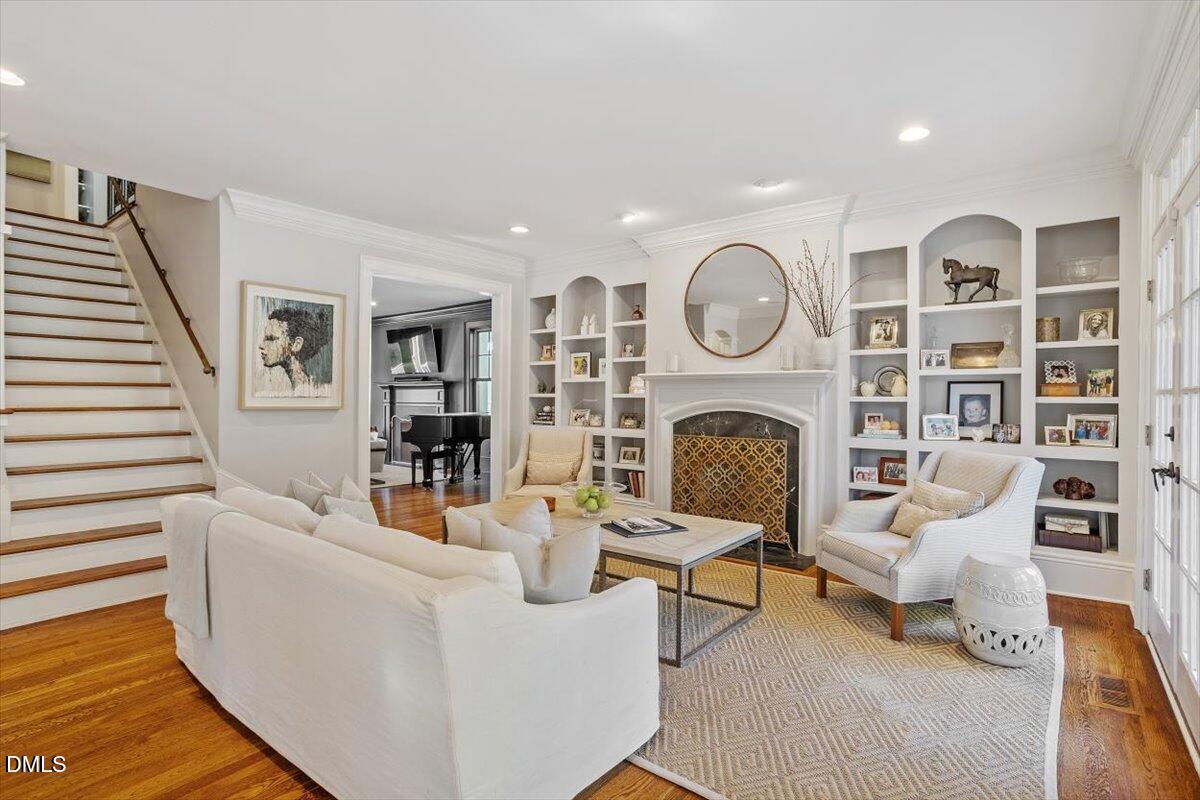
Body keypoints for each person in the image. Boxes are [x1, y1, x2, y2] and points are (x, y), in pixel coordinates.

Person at [258, 304, 333, 392]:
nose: (261, 345)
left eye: (271, 339)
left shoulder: (304, 390)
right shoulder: (300, 388)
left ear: (296, 345)